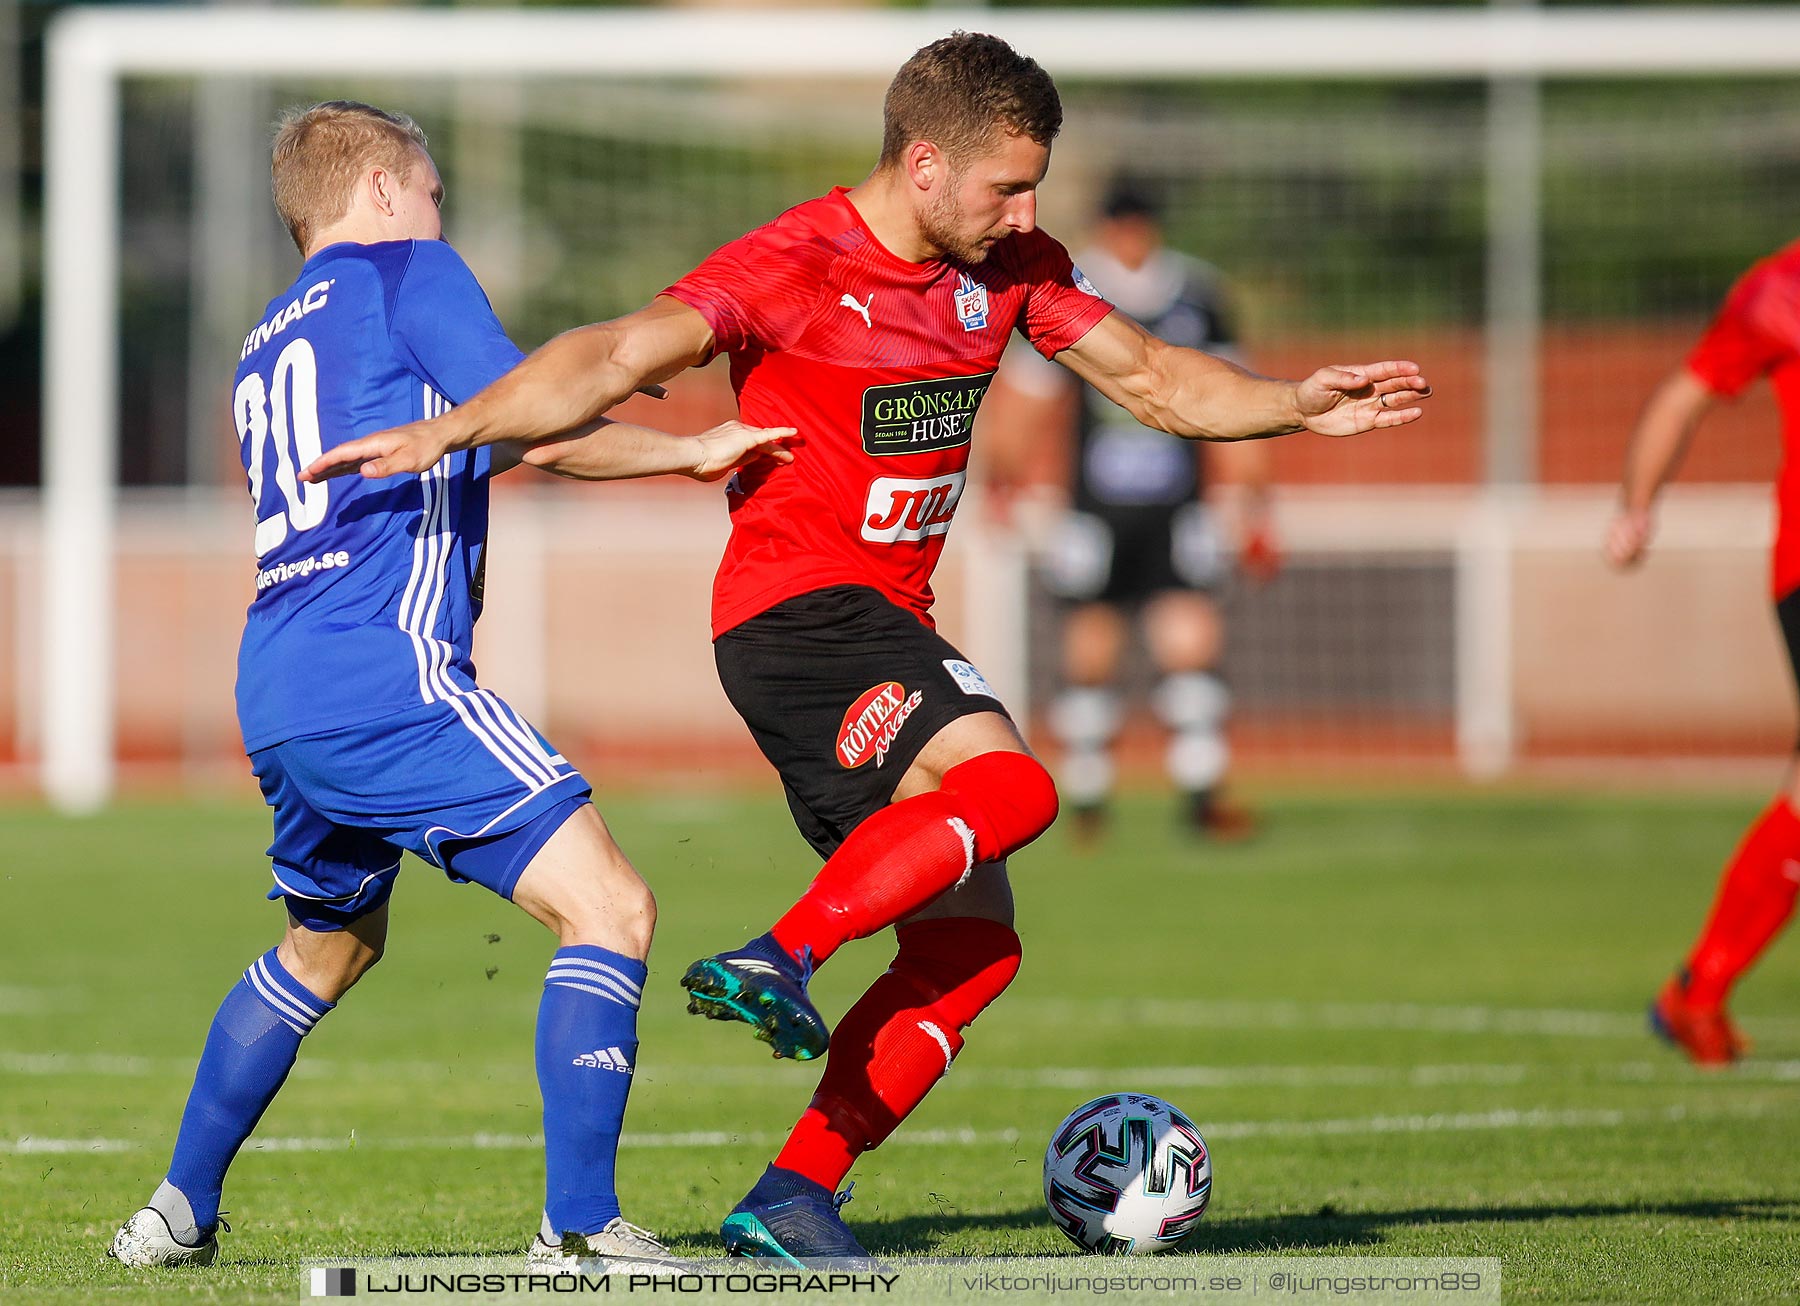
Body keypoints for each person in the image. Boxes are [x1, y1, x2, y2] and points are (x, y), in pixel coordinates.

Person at [305, 33, 1431, 1262]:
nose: (1029, 210)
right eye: (1008, 185)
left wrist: (1296, 403)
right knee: (1016, 786)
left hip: (883, 623)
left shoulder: (1012, 266)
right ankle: (779, 952)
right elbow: (621, 353)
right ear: (927, 164)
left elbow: (1157, 381)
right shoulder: (794, 263)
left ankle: (790, 1196)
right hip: (796, 614)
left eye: (1036, 184)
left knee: (972, 946)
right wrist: (457, 430)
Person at [106, 101, 791, 1271]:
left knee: (325, 949)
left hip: (277, 681)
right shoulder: (406, 270)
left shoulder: (268, 337)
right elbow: (544, 418)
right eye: (431, 192)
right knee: (611, 908)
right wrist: (684, 439)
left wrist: (681, 451)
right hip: (390, 675)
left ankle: (175, 1210)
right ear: (381, 191)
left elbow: (509, 435)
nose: (440, 215)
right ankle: (578, 1229)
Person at [984, 180, 1277, 841]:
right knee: (1090, 647)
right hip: (1096, 509)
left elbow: (1238, 396)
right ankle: (1088, 799)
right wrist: (1004, 479)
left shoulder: (1199, 297)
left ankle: (1202, 794)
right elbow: (1027, 400)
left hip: (1178, 507)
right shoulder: (1071, 290)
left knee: (1191, 640)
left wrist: (1255, 502)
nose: (1131, 237)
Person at [1606, 236, 1800, 1066]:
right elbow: (1684, 394)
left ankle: (1698, 989)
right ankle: (1699, 988)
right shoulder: (1782, 287)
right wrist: (1636, 506)